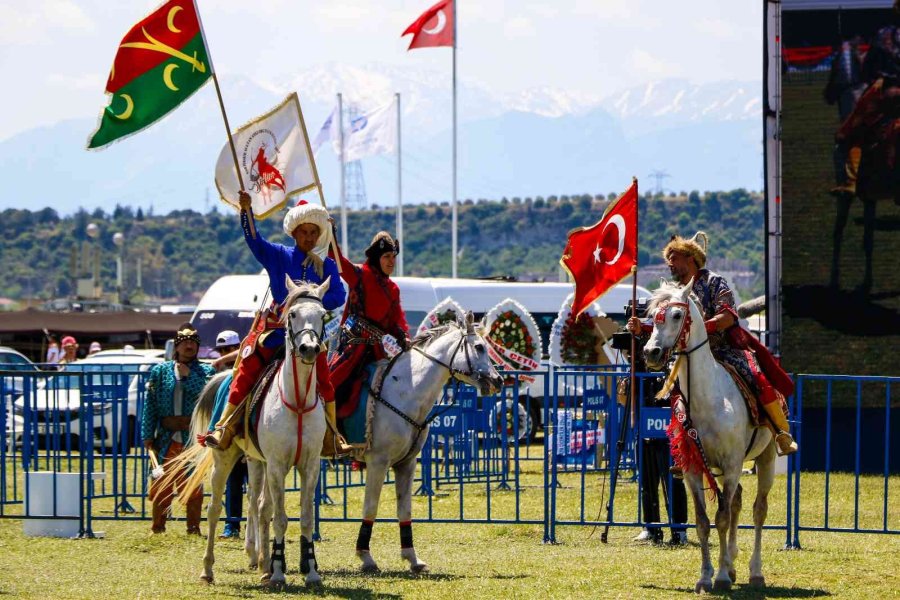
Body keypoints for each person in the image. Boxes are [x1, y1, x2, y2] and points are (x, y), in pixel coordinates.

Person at [627, 233, 798, 463]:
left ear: (690, 258)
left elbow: (727, 316)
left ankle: (781, 432)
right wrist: (643, 327)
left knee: (756, 377)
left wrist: (700, 328)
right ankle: (683, 450)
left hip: (725, 349)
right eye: (669, 260)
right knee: (675, 393)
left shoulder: (715, 282)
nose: (670, 264)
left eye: (674, 258)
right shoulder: (675, 292)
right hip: (690, 356)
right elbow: (667, 325)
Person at [204, 193, 350, 458]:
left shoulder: (327, 265)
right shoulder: (279, 255)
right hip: (275, 331)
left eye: (313, 232)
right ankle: (225, 425)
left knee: (326, 379)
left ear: (319, 235)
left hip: (308, 336)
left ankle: (332, 435)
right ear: (294, 233)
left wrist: (310, 299)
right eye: (303, 232)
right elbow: (255, 242)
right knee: (248, 367)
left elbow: (338, 296)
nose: (308, 237)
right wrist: (246, 212)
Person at [329, 230, 410, 423]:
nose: (391, 261)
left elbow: (396, 321)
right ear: (376, 258)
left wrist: (403, 336)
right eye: (386, 256)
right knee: (334, 385)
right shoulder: (359, 274)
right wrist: (331, 234)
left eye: (393, 257)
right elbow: (337, 261)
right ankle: (328, 427)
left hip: (376, 350)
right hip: (352, 347)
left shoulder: (393, 289)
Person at [141, 323, 216, 534]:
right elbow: (150, 404)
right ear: (176, 346)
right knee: (161, 481)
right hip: (166, 436)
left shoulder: (206, 371)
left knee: (192, 482)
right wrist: (147, 434)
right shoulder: (160, 371)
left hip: (192, 436)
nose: (189, 346)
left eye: (193, 342)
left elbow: (207, 396)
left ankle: (193, 528)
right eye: (185, 342)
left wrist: (189, 376)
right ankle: (158, 527)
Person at [210, 329, 246, 539]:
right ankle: (232, 526)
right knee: (232, 482)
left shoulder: (246, 352)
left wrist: (220, 360)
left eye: (228, 350)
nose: (224, 354)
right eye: (221, 351)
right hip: (234, 442)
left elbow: (245, 349)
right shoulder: (222, 377)